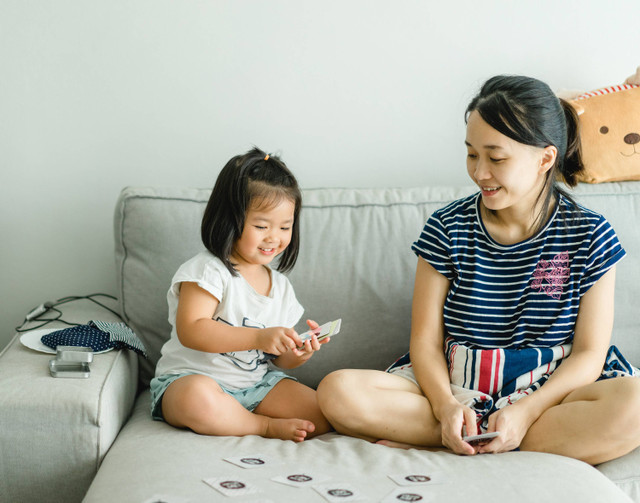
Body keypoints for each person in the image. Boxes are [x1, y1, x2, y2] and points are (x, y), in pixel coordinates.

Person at [317, 75, 640, 464]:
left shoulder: (590, 234)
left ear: (545, 158)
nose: (479, 172)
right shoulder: (447, 227)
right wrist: (444, 406)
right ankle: (476, 434)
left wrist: (527, 410)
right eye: (472, 155)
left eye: (496, 158)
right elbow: (424, 342)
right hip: (458, 385)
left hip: (548, 393)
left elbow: (590, 354)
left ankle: (482, 437)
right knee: (337, 391)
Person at [150, 147, 331, 442]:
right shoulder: (208, 271)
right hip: (193, 381)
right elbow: (191, 329)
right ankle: (261, 426)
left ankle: (238, 417)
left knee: (323, 415)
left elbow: (276, 359)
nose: (274, 237)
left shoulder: (280, 286)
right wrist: (259, 337)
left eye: (285, 227)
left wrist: (297, 354)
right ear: (229, 220)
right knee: (197, 399)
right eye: (261, 226)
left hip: (256, 385)